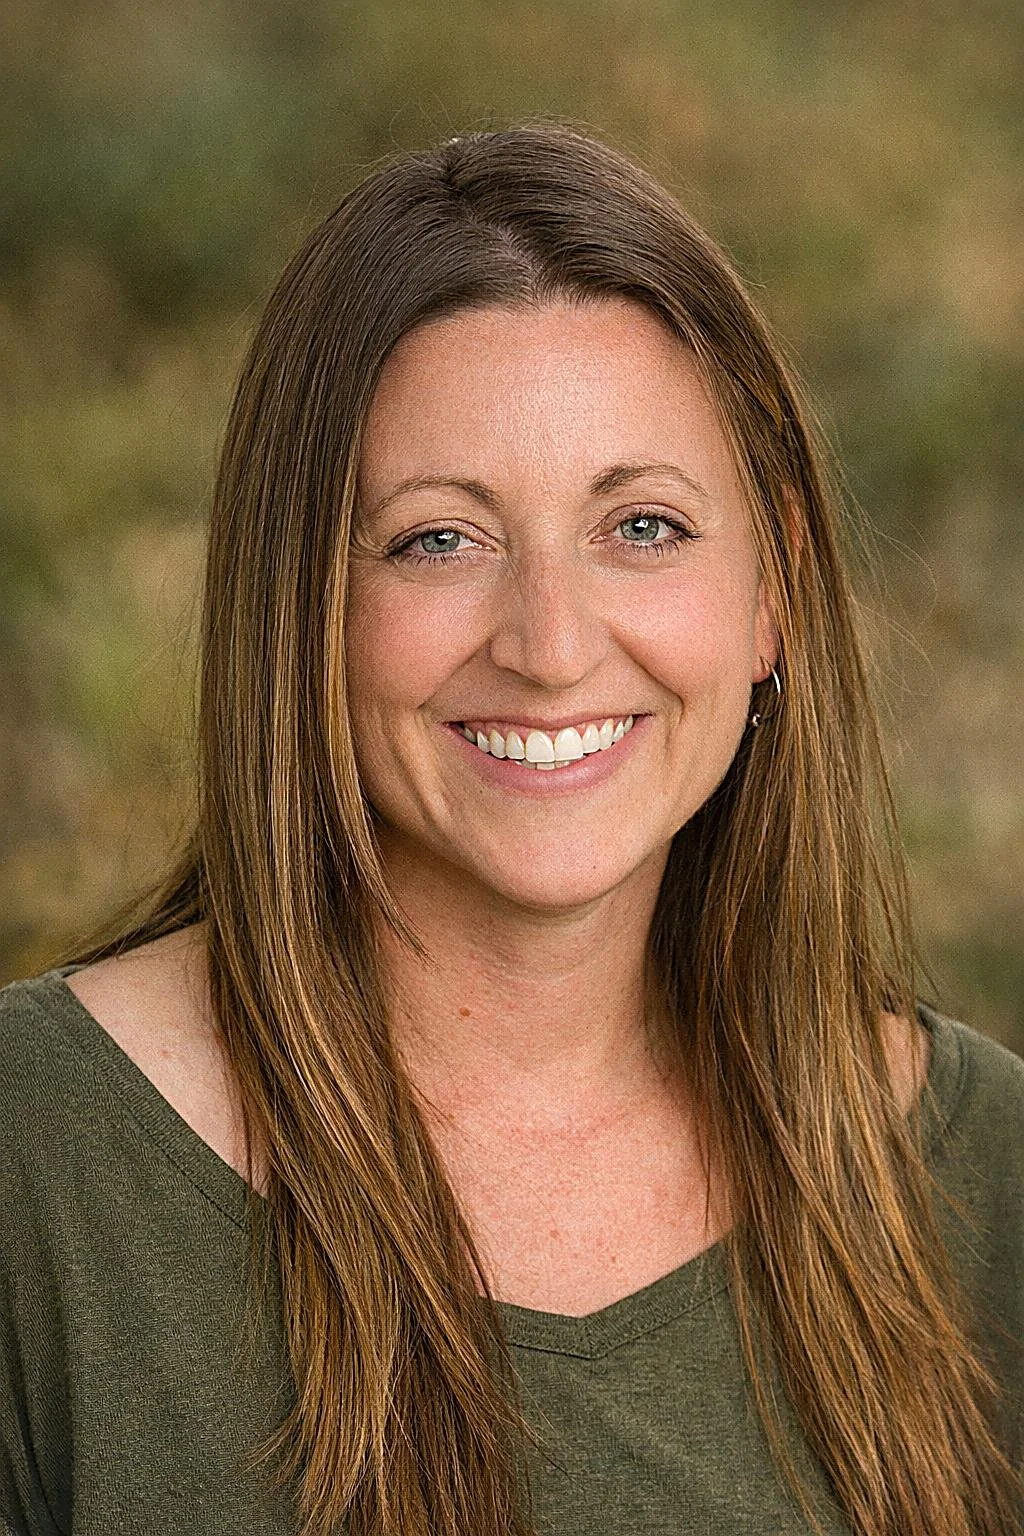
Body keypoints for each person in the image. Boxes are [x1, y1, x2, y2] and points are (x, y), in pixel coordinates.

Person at [1, 122, 1021, 1536]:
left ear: (775, 587)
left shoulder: (980, 1179)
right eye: (439, 539)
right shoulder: (35, 1165)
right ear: (300, 608)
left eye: (644, 526)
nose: (549, 647)